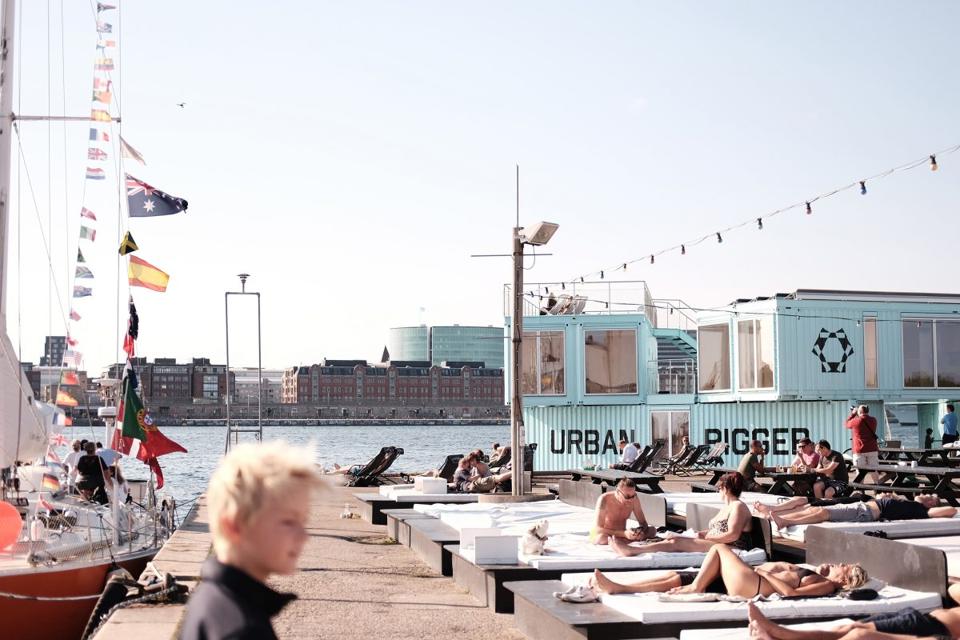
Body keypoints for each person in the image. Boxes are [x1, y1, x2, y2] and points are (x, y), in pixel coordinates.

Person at [180, 441, 321, 640]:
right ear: (234, 526)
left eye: (303, 521)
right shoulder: (244, 630)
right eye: (289, 522)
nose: (304, 536)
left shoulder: (209, 598)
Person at [591, 543, 868, 598]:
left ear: (845, 578)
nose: (839, 564)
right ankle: (619, 587)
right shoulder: (819, 574)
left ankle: (696, 588)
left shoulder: (828, 585)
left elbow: (790, 594)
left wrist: (765, 574)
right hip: (750, 579)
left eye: (844, 566)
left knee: (720, 549)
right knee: (675, 577)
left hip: (754, 584)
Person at [609, 472, 752, 556]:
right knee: (673, 538)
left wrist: (706, 536)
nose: (718, 491)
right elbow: (719, 530)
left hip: (732, 548)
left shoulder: (738, 507)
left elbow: (733, 535)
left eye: (719, 488)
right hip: (718, 542)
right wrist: (700, 533)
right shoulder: (728, 507)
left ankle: (632, 550)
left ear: (725, 489)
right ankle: (635, 548)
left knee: (677, 542)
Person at [746, 599, 960, 640]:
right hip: (921, 616)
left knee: (857, 634)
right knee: (849, 627)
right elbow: (953, 589)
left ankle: (780, 634)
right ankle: (781, 633)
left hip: (932, 627)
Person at [755, 493, 957, 528]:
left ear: (930, 504)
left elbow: (950, 511)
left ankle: (786, 522)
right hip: (862, 507)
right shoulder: (910, 503)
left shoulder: (920, 510)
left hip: (866, 514)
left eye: (930, 496)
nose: (925, 494)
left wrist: (932, 506)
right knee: (813, 510)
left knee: (822, 514)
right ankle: (778, 518)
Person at [590, 478, 656, 544]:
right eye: (627, 496)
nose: (630, 500)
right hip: (606, 534)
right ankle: (625, 541)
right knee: (602, 538)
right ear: (618, 492)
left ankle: (624, 541)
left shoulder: (634, 499)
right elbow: (598, 529)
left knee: (652, 530)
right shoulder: (604, 499)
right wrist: (624, 534)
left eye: (633, 496)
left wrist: (640, 532)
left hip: (622, 534)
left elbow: (643, 522)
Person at [846, 405, 879, 484]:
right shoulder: (874, 420)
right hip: (872, 448)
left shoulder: (856, 421)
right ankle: (877, 487)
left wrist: (853, 414)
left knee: (860, 472)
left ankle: (861, 491)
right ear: (868, 411)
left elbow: (847, 424)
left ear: (859, 412)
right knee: (874, 470)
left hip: (859, 450)